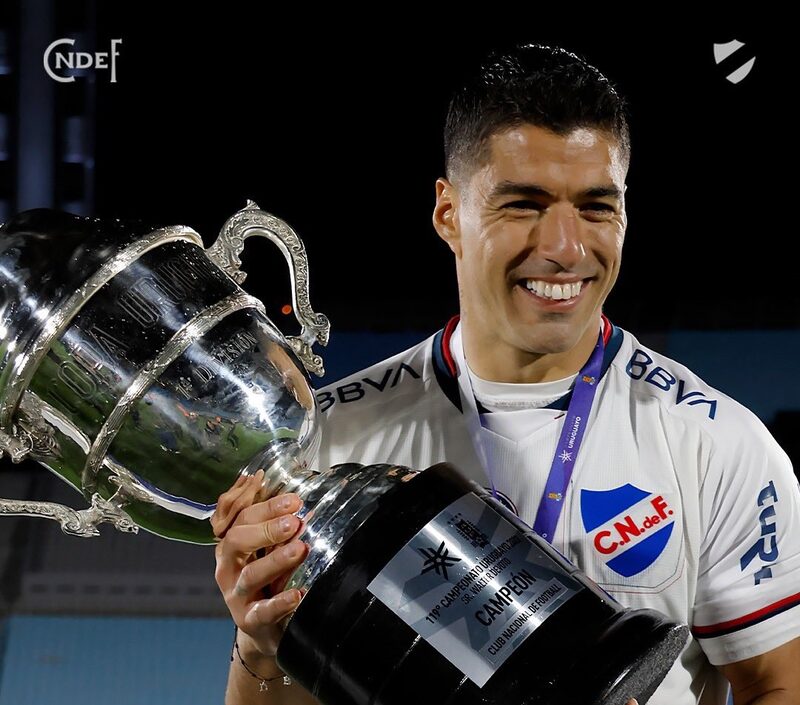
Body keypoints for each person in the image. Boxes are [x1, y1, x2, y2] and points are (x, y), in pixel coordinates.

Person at [212, 43, 800, 705]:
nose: (564, 247)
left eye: (597, 207)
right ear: (448, 213)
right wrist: (260, 646)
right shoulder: (329, 445)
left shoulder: (714, 442)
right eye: (523, 204)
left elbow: (777, 684)